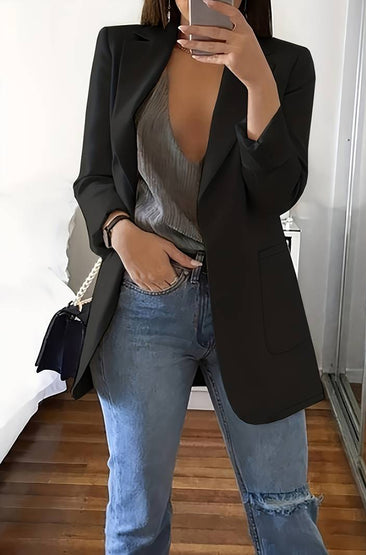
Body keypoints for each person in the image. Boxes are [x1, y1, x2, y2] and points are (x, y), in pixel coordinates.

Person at [74, 0, 329, 552]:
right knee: (136, 513)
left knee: (284, 507)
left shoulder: (286, 64)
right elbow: (93, 176)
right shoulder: (120, 48)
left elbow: (276, 194)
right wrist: (122, 232)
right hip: (145, 300)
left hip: (253, 302)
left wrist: (258, 81)